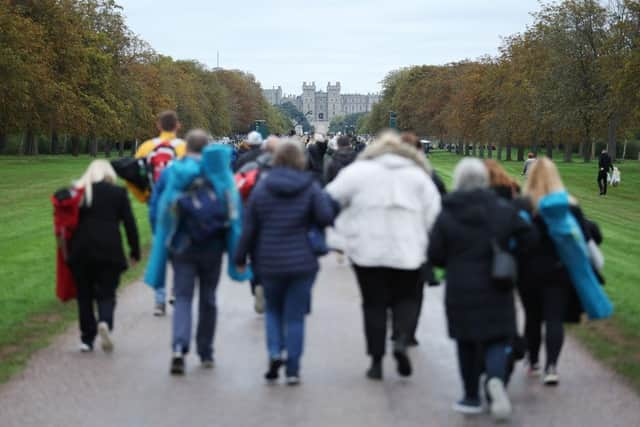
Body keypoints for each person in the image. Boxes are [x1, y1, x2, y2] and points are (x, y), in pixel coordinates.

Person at [326, 130, 441, 381]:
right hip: (409, 249)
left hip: (368, 249)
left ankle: (376, 362)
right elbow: (434, 216)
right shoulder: (418, 176)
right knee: (407, 299)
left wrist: (344, 226)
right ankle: (401, 339)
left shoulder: (358, 172)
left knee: (373, 304)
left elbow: (329, 199)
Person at [428, 158, 534, 421]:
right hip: (496, 284)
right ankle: (495, 379)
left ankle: (471, 396)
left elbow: (435, 254)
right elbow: (530, 237)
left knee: (465, 342)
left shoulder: (447, 211)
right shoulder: (501, 209)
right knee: (496, 338)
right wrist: (511, 253)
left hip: (460, 286)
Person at [146, 129, 249, 375]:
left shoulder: (174, 171)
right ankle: (205, 352)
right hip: (212, 245)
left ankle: (179, 348)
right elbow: (233, 210)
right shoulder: (219, 173)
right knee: (208, 298)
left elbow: (157, 205)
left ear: (186, 148)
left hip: (182, 243)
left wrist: (160, 234)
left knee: (182, 297)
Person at [234, 139, 334, 385]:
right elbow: (325, 217)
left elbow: (250, 228)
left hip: (269, 260)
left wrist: (240, 257)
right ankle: (293, 369)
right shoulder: (309, 187)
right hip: (302, 261)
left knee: (274, 311)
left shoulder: (262, 188)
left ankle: (275, 352)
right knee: (295, 317)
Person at [517, 157, 597, 386]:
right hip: (559, 270)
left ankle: (533, 361)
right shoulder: (569, 205)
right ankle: (552, 367)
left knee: (532, 318)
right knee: (554, 319)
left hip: (529, 271)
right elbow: (585, 237)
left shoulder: (524, 204)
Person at [67, 160, 140, 352]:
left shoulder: (79, 193)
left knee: (84, 295)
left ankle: (87, 339)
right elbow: (129, 224)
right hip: (109, 249)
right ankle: (105, 321)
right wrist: (135, 251)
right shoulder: (118, 193)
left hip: (81, 250)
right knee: (107, 291)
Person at [134, 110, 186, 317]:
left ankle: (159, 300)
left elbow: (134, 175)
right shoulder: (183, 147)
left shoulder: (147, 147)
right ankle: (176, 290)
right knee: (180, 248)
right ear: (178, 126)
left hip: (156, 205)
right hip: (180, 205)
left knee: (160, 249)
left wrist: (144, 196)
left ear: (158, 125)